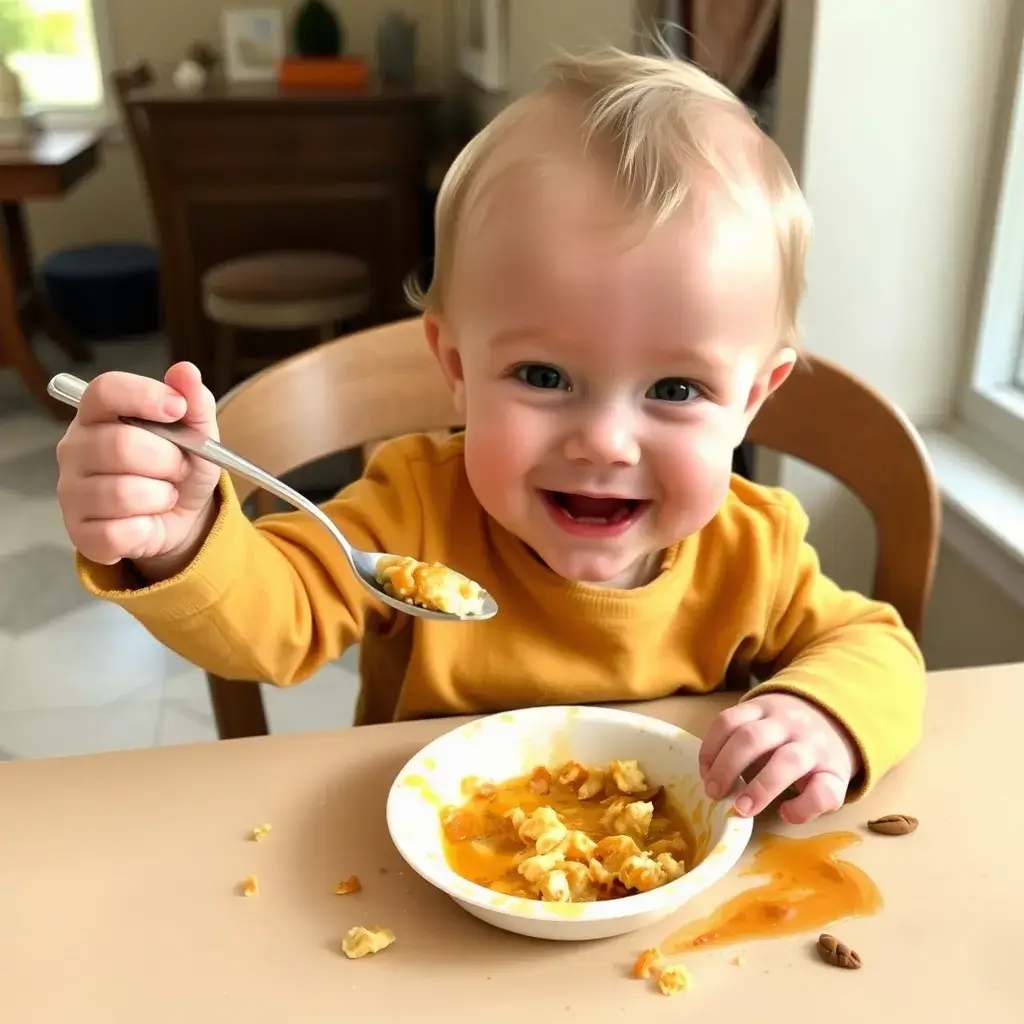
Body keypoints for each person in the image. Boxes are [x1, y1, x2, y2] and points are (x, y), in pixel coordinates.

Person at [54, 47, 924, 826]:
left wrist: (824, 716)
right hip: (425, 899)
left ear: (753, 400)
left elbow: (879, 646)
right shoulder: (413, 514)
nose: (605, 442)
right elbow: (269, 619)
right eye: (545, 377)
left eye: (676, 389)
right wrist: (181, 543)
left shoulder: (754, 550)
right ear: (457, 366)